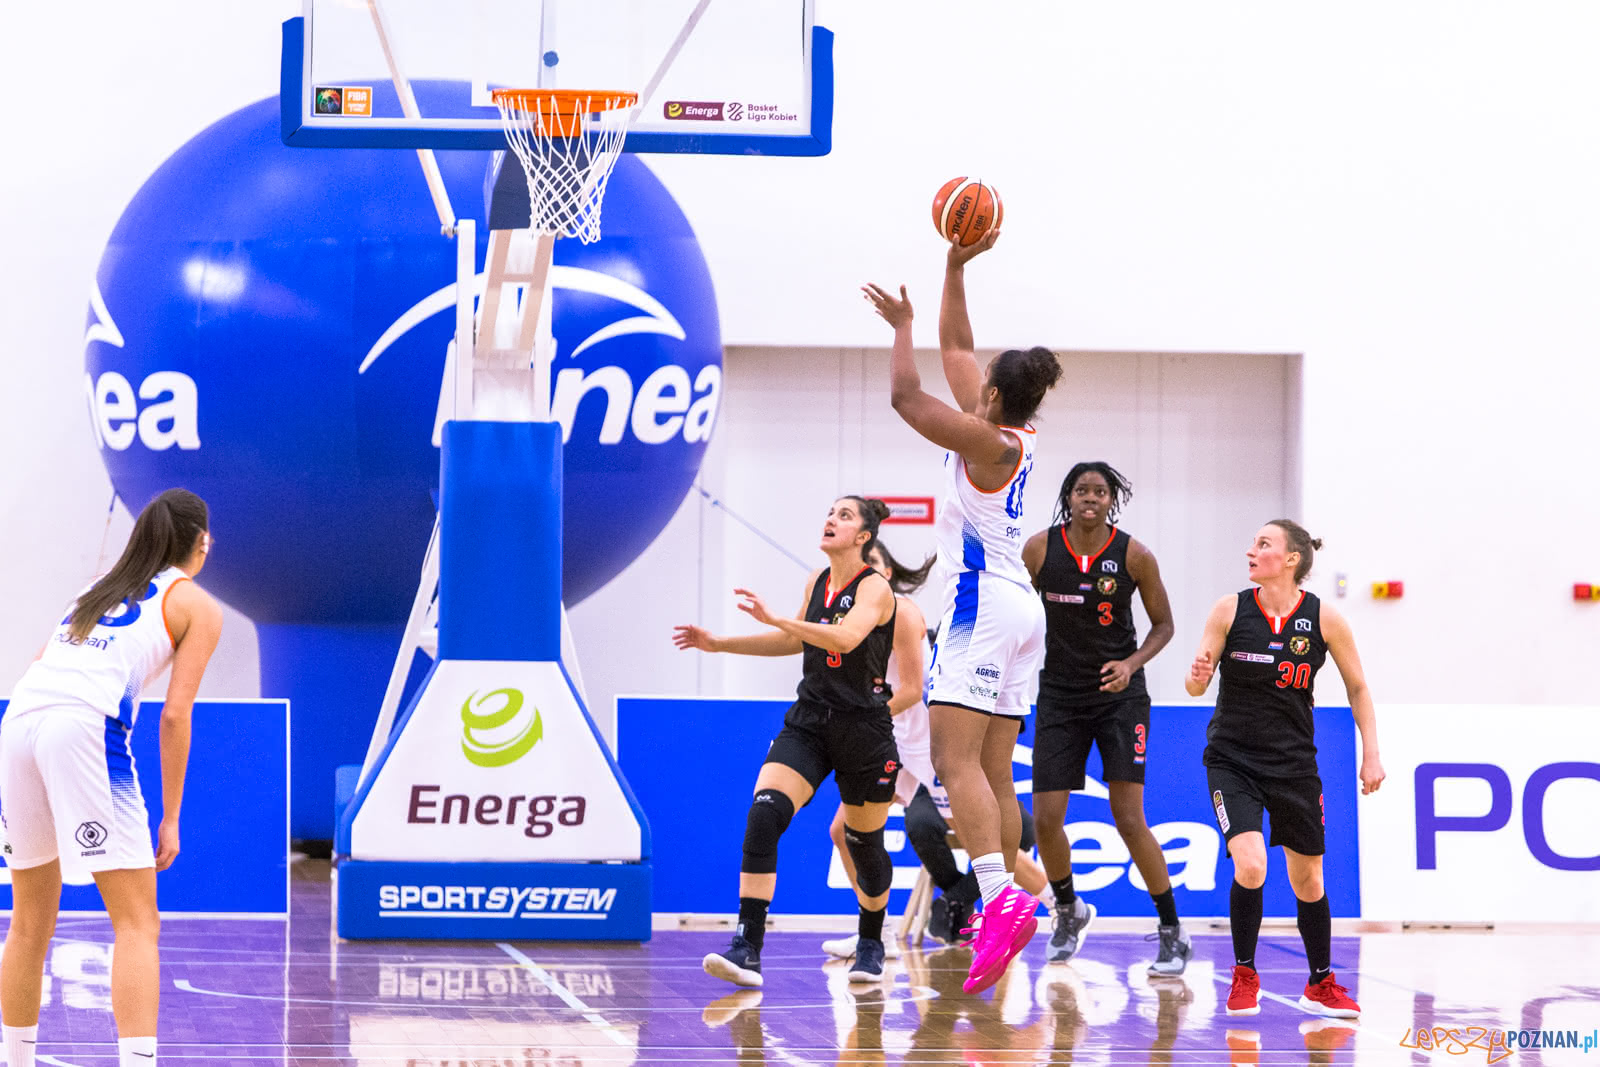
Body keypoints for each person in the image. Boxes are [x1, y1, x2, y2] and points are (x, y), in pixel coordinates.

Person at [864, 231, 1063, 994]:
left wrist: (900, 331)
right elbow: (961, 344)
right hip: (1022, 611)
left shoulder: (986, 441)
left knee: (952, 761)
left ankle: (999, 899)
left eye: (979, 380)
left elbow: (906, 397)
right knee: (991, 771)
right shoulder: (1017, 431)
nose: (969, 378)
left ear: (990, 396)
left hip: (982, 604)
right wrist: (953, 265)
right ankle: (1002, 903)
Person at [0, 489, 223, 1067]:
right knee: (137, 922)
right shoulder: (198, 604)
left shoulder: (94, 588)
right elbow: (175, 715)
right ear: (200, 542)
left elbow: (37, 668)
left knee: (28, 925)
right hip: (83, 729)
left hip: (18, 723)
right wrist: (171, 818)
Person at [674, 496, 902, 987]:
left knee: (864, 844)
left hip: (864, 729)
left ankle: (871, 940)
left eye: (844, 516)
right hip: (810, 722)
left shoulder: (876, 588)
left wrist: (778, 618)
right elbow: (795, 641)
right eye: (830, 512)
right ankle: (748, 947)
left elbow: (844, 638)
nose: (830, 519)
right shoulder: (817, 581)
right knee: (764, 815)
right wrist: (720, 643)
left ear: (864, 536)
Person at [1185, 520, 1384, 1018]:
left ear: (1291, 559)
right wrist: (1197, 677)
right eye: (1253, 542)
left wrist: (1372, 752)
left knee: (1309, 882)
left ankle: (1320, 982)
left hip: (1295, 765)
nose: (1250, 550)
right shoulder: (1229, 609)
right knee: (1251, 864)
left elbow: (1358, 688)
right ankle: (1245, 972)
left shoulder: (1325, 619)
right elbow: (1195, 688)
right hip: (1232, 761)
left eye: (1263, 544)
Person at [820, 540, 1050, 961]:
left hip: (929, 744)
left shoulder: (900, 614)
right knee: (843, 831)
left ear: (886, 573)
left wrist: (856, 721)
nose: (863, 569)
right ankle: (877, 932)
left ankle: (1063, 906)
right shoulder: (844, 617)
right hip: (894, 741)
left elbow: (910, 691)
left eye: (872, 562)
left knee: (981, 840)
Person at [1022, 462, 1186, 971]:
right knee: (1047, 820)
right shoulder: (1039, 550)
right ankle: (1068, 910)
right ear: (1068, 497)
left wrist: (1131, 663)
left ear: (1112, 499)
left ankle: (1170, 929)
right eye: (1081, 489)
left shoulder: (1134, 554)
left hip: (1120, 698)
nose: (1090, 497)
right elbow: (1012, 608)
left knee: (1129, 818)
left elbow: (1164, 625)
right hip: (1059, 696)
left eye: (1100, 491)